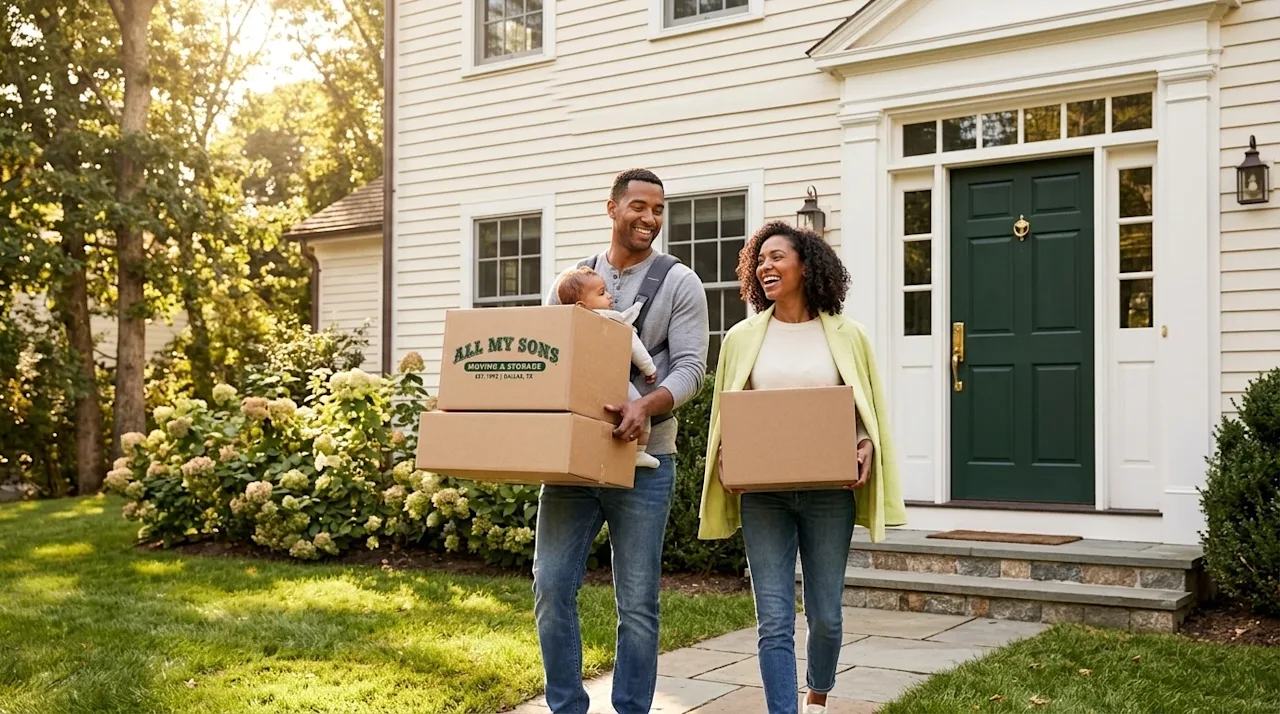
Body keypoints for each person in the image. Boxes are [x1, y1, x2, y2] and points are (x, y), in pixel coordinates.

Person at [697, 221, 906, 714]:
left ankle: (816, 695)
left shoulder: (848, 335)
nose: (765, 267)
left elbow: (864, 409)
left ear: (806, 265)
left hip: (827, 492)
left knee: (827, 616)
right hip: (764, 494)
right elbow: (728, 413)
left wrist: (864, 446)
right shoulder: (742, 336)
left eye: (776, 258)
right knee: (773, 619)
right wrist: (725, 456)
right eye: (760, 260)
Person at [535, 168, 710, 714]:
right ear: (611, 209)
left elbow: (691, 369)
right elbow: (549, 355)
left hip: (647, 461)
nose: (650, 219)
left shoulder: (681, 282)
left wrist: (644, 405)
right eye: (638, 206)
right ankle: (566, 706)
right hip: (575, 462)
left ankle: (632, 708)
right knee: (550, 588)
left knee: (636, 602)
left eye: (658, 209)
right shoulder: (573, 279)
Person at [553, 264, 661, 469]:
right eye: (602, 293)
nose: (610, 297)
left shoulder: (567, 323)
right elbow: (633, 346)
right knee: (638, 407)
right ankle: (638, 452)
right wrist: (649, 369)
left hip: (582, 383)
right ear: (582, 305)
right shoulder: (614, 320)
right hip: (614, 381)